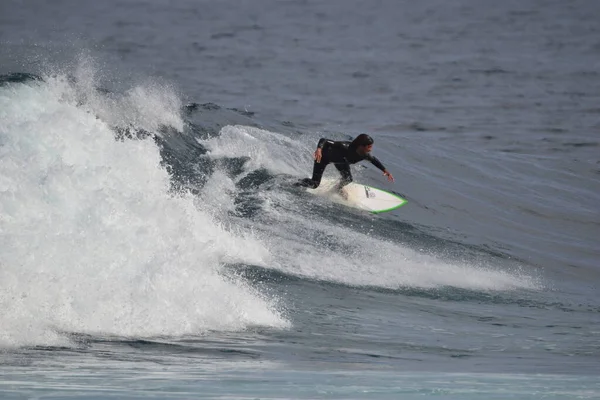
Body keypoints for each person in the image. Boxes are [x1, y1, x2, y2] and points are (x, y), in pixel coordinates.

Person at [296, 133, 394, 191]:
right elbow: (324, 140)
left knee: (348, 179)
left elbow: (374, 160)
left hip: (341, 162)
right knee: (314, 184)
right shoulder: (344, 146)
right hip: (323, 157)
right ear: (361, 145)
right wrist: (319, 149)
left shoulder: (364, 155)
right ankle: (298, 183)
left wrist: (385, 170)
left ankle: (336, 190)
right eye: (369, 147)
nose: (371, 149)